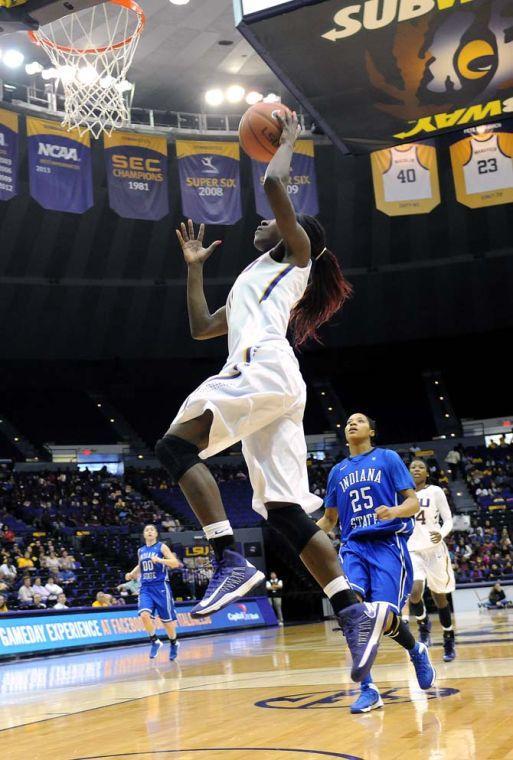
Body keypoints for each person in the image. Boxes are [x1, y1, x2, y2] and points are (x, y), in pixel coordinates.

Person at [154, 111, 389, 684]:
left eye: (272, 222)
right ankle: (353, 613)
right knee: (284, 510)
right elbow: (202, 328)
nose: (262, 223)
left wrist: (286, 146)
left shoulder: (298, 258)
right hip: (275, 384)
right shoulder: (254, 276)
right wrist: (192, 270)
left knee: (175, 449)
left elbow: (272, 185)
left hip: (261, 372)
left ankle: (230, 559)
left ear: (291, 233)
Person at [317, 413, 436, 713]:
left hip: (387, 544)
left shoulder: (388, 458)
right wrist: (304, 537)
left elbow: (412, 502)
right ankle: (368, 689)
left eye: (358, 420)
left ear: (372, 429)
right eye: (347, 422)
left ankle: (416, 649)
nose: (351, 424)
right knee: (351, 612)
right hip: (353, 546)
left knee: (383, 616)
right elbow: (330, 519)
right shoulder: (337, 472)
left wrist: (394, 511)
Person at [408, 459, 456, 662]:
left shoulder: (435, 491)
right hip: (412, 549)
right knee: (414, 593)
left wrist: (442, 533)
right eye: (413, 467)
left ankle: (448, 638)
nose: (416, 470)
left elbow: (448, 519)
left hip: (435, 549)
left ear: (427, 473)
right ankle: (423, 624)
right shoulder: (401, 494)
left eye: (421, 467)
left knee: (440, 598)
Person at [125, 524, 181, 661]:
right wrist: (132, 574)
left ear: (156, 534)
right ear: (144, 535)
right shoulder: (141, 550)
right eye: (146, 530)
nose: (149, 532)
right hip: (145, 587)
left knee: (167, 622)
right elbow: (141, 565)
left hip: (161, 587)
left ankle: (174, 642)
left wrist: (160, 560)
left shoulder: (161, 547)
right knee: (144, 615)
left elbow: (175, 563)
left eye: (152, 530)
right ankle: (154, 640)